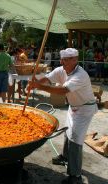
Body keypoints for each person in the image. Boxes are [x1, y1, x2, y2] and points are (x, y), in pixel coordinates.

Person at [27, 48, 97, 184]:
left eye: (65, 60)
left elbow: (63, 90)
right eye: (62, 59)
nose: (62, 62)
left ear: (75, 60)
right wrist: (36, 82)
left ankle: (75, 176)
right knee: (67, 131)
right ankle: (65, 157)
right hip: (73, 106)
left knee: (75, 139)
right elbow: (48, 79)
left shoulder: (80, 75)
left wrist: (39, 87)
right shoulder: (61, 70)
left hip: (84, 110)